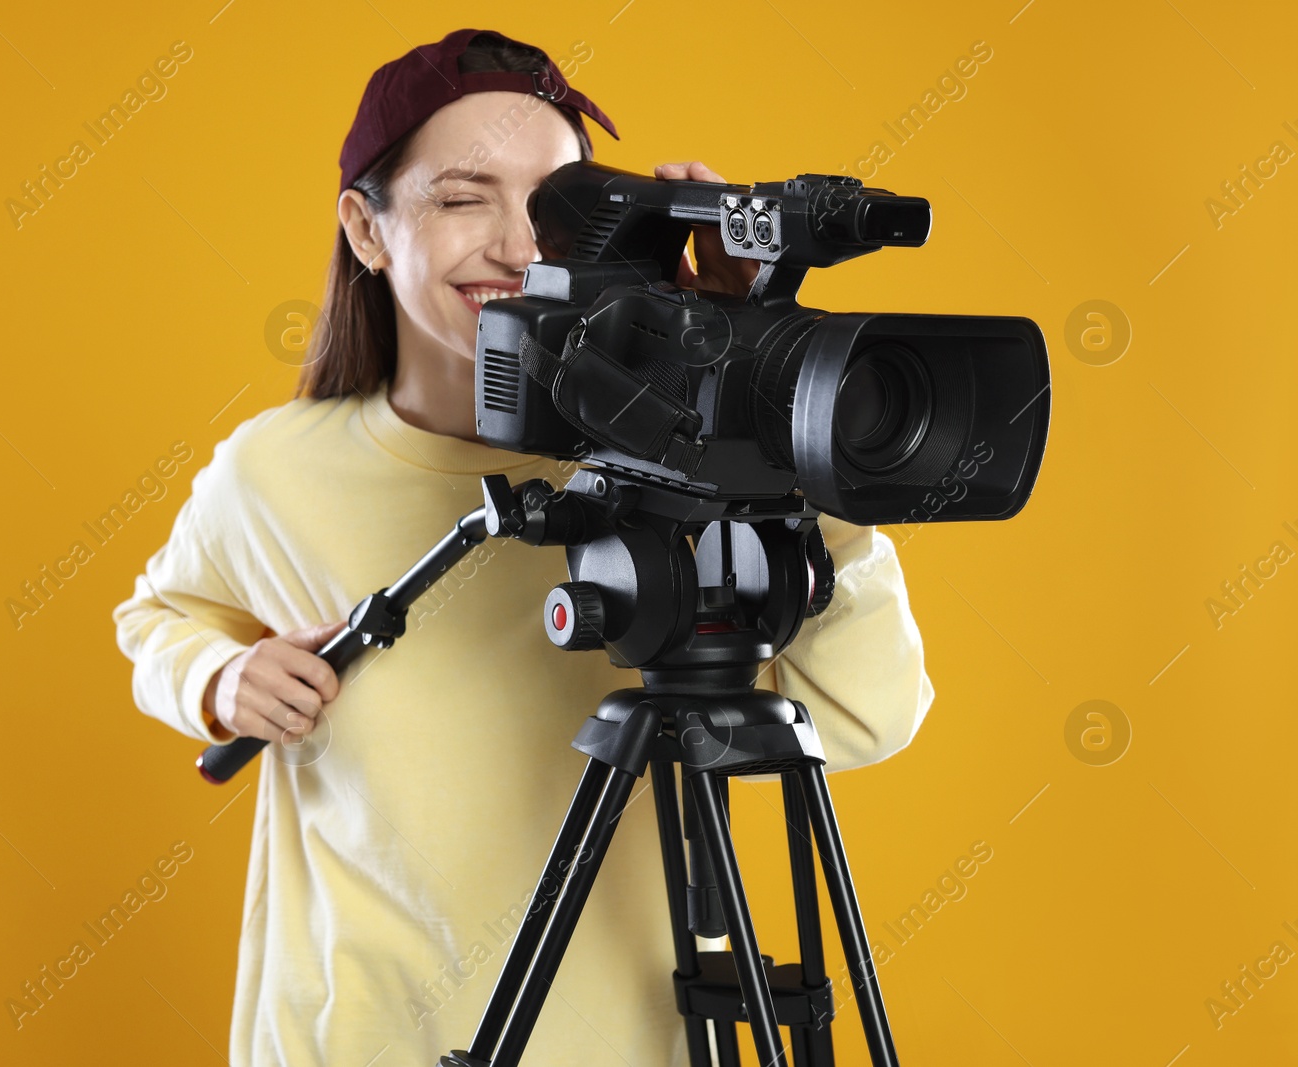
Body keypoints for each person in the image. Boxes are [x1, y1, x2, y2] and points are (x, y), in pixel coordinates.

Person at [112, 27, 934, 1066]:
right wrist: (216, 675)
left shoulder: (682, 462)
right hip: (361, 1034)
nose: (517, 245)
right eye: (463, 198)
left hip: (625, 1036)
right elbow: (156, 616)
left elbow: (869, 714)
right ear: (365, 230)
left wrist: (765, 404)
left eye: (555, 207)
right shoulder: (272, 470)